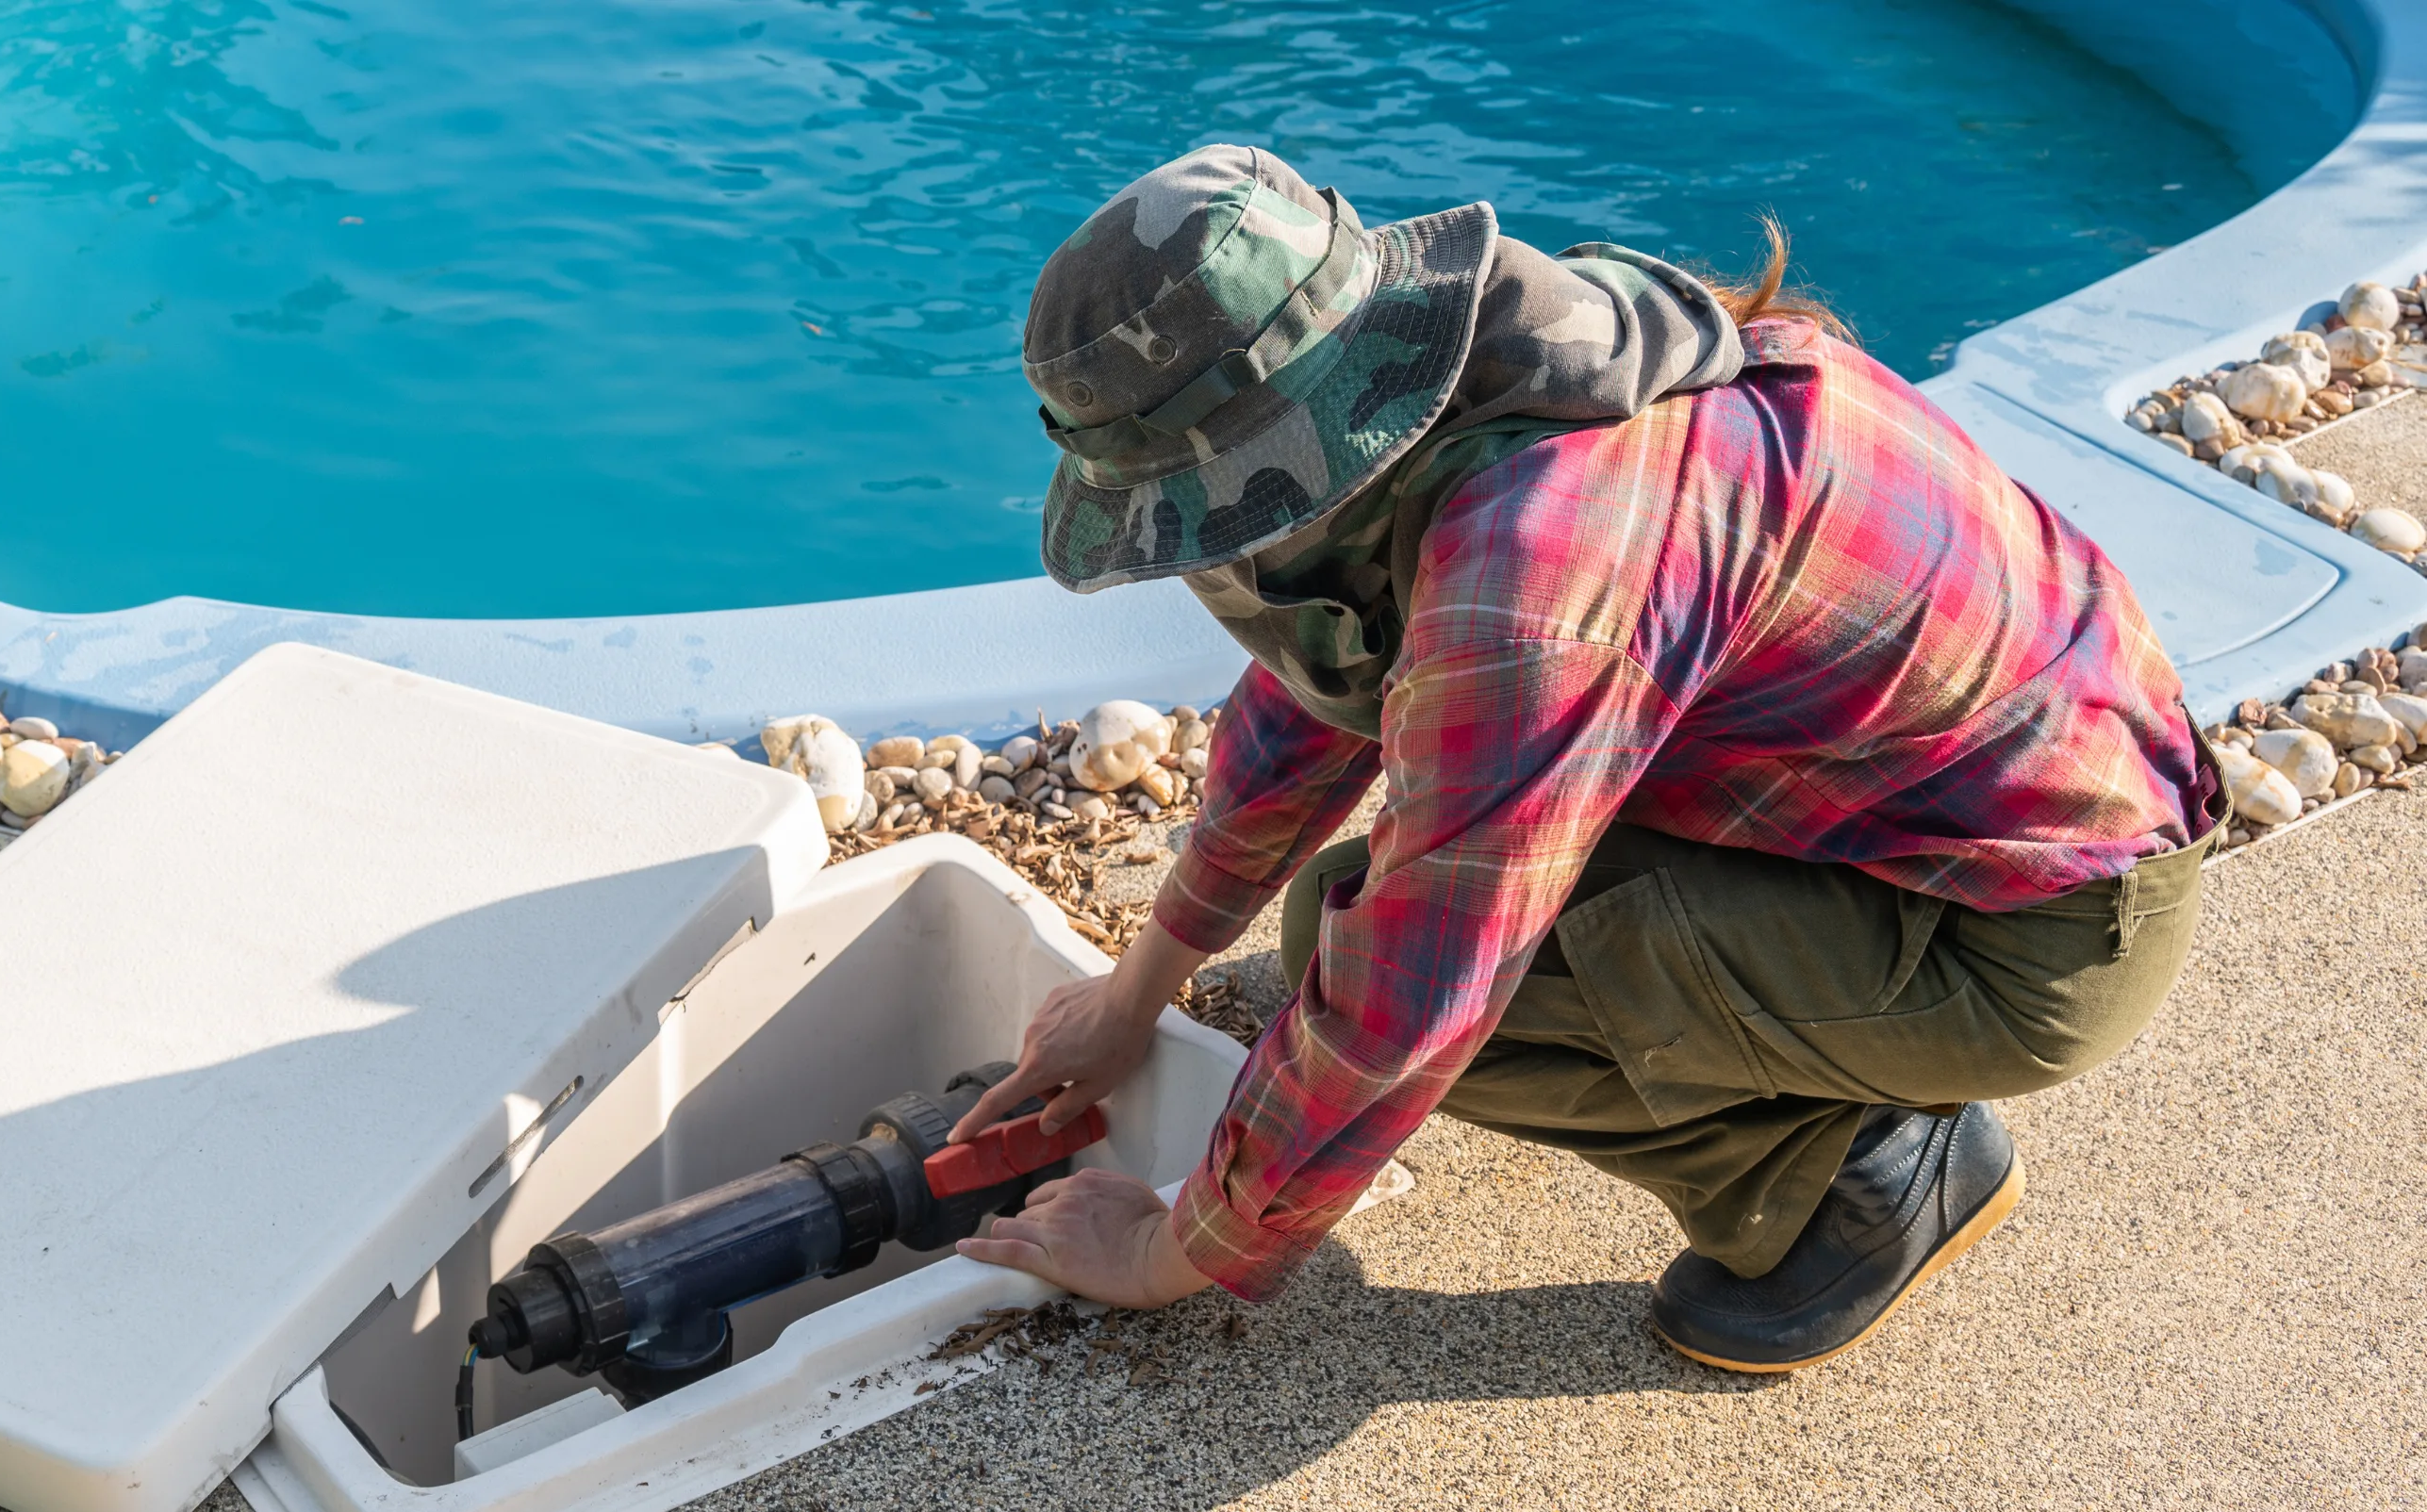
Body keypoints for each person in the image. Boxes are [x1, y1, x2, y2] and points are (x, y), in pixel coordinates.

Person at [949, 144, 2220, 1372]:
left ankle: (1854, 1181)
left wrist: (1171, 1251)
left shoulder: (1532, 575)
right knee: (1349, 928)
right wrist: (1139, 987)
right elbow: (1317, 689)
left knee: (1396, 971)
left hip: (2032, 938)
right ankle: (1825, 1062)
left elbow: (1415, 1002)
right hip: (1952, 818)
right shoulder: (1514, 360)